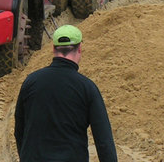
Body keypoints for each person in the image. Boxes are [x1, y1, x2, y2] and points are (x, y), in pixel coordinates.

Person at [14, 25, 118, 162]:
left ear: (53, 49)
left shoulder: (31, 82)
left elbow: (19, 130)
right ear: (79, 48)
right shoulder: (87, 88)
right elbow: (104, 142)